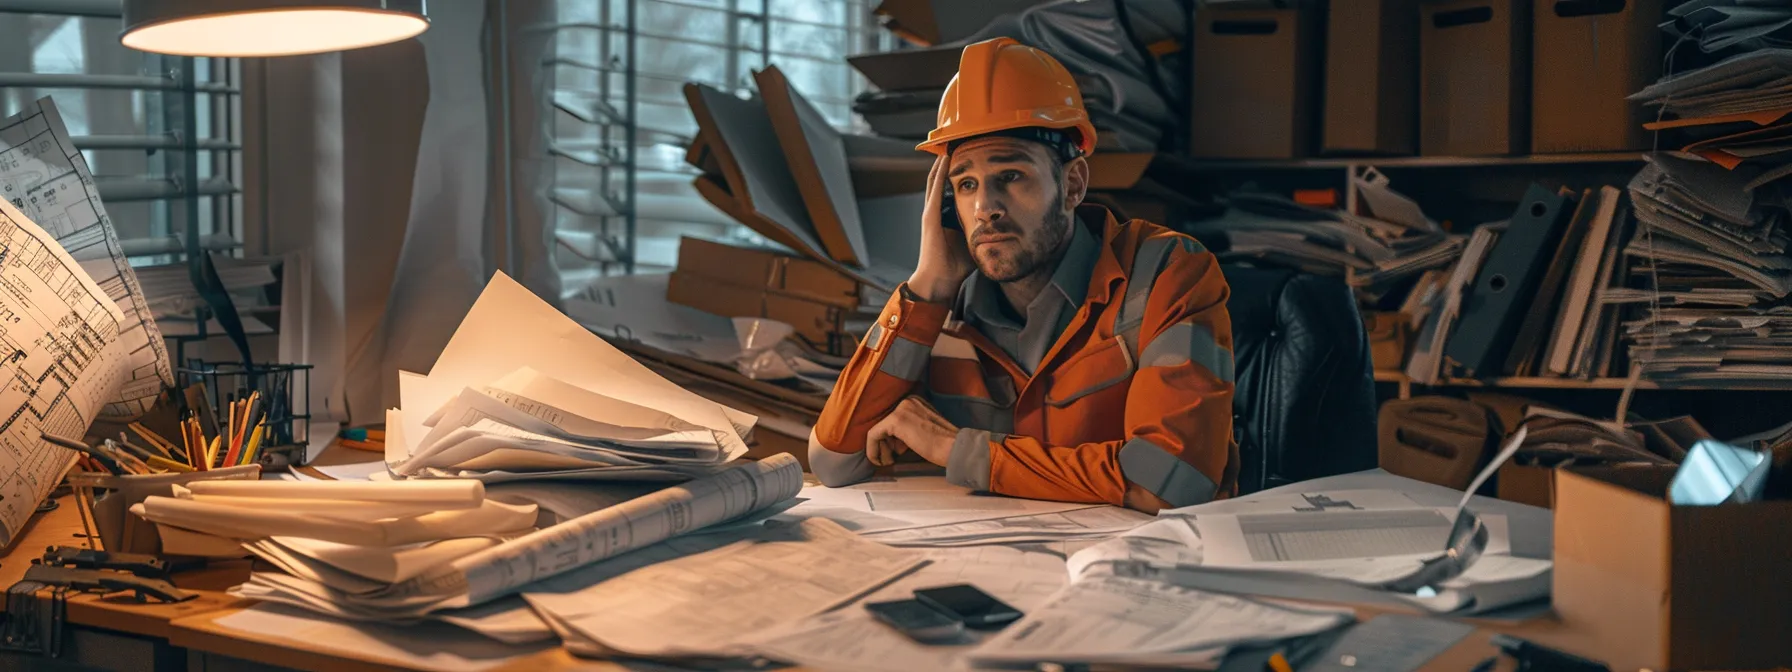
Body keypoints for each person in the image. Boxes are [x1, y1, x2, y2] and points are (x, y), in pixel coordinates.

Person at [807, 37, 1236, 513]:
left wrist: (958, 450)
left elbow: (1168, 483)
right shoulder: (940, 309)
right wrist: (927, 285)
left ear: (1072, 184)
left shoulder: (1167, 274)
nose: (985, 208)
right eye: (966, 184)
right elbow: (834, 461)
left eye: (1011, 176)